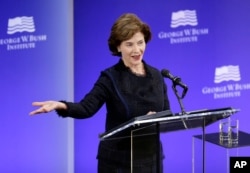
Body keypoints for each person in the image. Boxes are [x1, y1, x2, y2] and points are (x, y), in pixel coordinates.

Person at [30, 13, 171, 173]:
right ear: (118, 47)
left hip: (151, 160)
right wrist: (60, 105)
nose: (137, 49)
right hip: (117, 162)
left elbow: (167, 112)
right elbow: (86, 108)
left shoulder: (157, 76)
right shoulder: (110, 78)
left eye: (140, 42)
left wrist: (155, 118)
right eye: (129, 44)